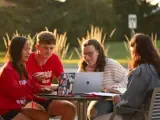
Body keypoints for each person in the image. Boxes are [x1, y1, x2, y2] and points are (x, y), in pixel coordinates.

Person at [94, 33, 160, 120]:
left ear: (135, 50)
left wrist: (117, 102)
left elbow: (129, 104)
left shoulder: (140, 72)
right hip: (155, 116)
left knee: (97, 118)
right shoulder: (156, 69)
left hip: (139, 117)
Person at [26, 31, 76, 120]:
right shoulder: (27, 59)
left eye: (51, 48)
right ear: (37, 46)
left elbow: (64, 81)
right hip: (29, 100)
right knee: (42, 115)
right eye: (45, 48)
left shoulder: (54, 59)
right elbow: (25, 85)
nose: (49, 51)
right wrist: (54, 87)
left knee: (70, 108)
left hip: (47, 100)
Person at [0, 36, 49, 120]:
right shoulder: (8, 70)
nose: (29, 52)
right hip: (7, 110)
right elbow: (17, 93)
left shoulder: (21, 67)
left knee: (43, 115)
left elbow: (28, 85)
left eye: (29, 49)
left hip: (18, 107)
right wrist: (34, 80)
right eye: (25, 49)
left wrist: (41, 89)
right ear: (17, 51)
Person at [78, 39, 128, 120]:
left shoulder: (110, 64)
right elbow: (79, 85)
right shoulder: (83, 67)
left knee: (93, 112)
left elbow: (127, 79)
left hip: (110, 100)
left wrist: (113, 88)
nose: (86, 58)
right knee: (84, 109)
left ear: (98, 51)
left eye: (90, 54)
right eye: (84, 54)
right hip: (92, 99)